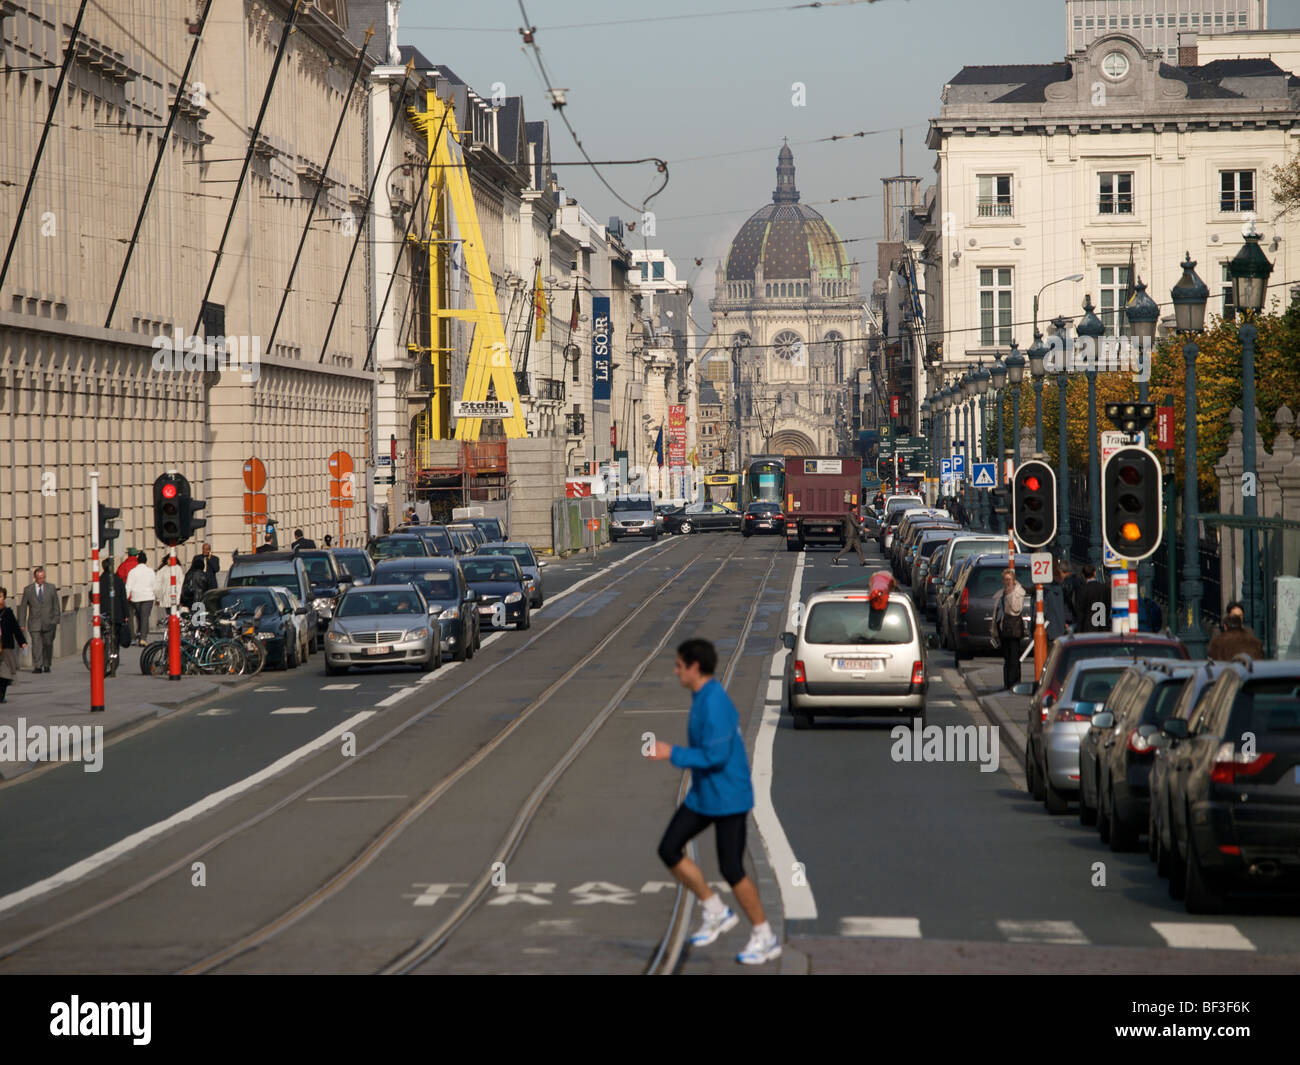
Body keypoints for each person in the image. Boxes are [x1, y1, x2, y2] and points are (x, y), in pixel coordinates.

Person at [648, 638, 779, 965]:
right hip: (705, 795)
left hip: (729, 797)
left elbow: (717, 755)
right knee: (669, 848)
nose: (675, 670)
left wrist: (671, 752)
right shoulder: (702, 697)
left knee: (732, 868)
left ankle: (765, 935)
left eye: (679, 665)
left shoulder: (714, 702)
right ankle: (715, 908)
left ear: (694, 667)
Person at [991, 567, 1028, 691]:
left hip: (1014, 628)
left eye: (1009, 580)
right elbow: (997, 611)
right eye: (1005, 580)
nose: (1008, 582)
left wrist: (1010, 594)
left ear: (1014, 580)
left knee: (1014, 658)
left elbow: (1016, 609)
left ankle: (1014, 683)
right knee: (1007, 658)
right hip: (1004, 628)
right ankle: (1007, 683)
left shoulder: (1018, 592)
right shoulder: (1002, 593)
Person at [19, 567, 58, 673]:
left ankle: (47, 664)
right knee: (36, 644)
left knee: (48, 644)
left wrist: (55, 620)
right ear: (35, 578)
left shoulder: (51, 588)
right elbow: (23, 608)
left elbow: (56, 605)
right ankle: (38, 665)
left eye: (43, 578)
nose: (42, 580)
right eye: (40, 578)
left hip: (48, 622)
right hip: (34, 622)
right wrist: (21, 623)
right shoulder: (28, 590)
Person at [0, 587, 27, 702]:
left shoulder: (8, 613)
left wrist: (22, 642)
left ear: (4, 598)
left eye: (0, 596)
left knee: (5, 673)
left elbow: (15, 628)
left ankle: (1, 695)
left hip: (5, 646)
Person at [125, 550, 157, 645]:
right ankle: (143, 637)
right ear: (146, 561)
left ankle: (139, 633)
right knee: (145, 617)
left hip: (136, 597)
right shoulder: (150, 571)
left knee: (139, 616)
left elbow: (128, 586)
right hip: (148, 596)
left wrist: (126, 597)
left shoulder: (132, 572)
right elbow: (155, 585)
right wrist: (156, 595)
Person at [99, 558, 130, 650]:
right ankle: (115, 652)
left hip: (103, 612)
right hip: (117, 614)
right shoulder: (118, 580)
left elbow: (93, 595)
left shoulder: (100, 580)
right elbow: (123, 598)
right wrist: (126, 614)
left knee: (103, 631)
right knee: (116, 634)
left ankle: (104, 649)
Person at [1074, 564, 1109, 633]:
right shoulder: (1104, 588)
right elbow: (1108, 606)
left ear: (1083, 575)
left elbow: (1080, 612)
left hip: (1087, 628)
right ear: (1095, 573)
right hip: (1102, 626)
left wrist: (1079, 630)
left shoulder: (1082, 590)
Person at [1043, 559, 1067, 646]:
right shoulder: (1063, 590)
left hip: (1049, 628)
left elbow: (1043, 610)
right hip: (1062, 628)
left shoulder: (1046, 591)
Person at [155, 551, 185, 622]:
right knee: (168, 613)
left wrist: (180, 595)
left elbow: (181, 582)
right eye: (168, 559)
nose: (169, 561)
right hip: (166, 595)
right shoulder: (163, 570)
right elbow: (158, 583)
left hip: (175, 594)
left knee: (176, 611)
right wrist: (158, 597)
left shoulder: (178, 569)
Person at [1060, 560, 1081, 631]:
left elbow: (1066, 600)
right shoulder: (1078, 581)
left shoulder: (1066, 583)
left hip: (1069, 617)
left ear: (1061, 571)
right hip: (1077, 617)